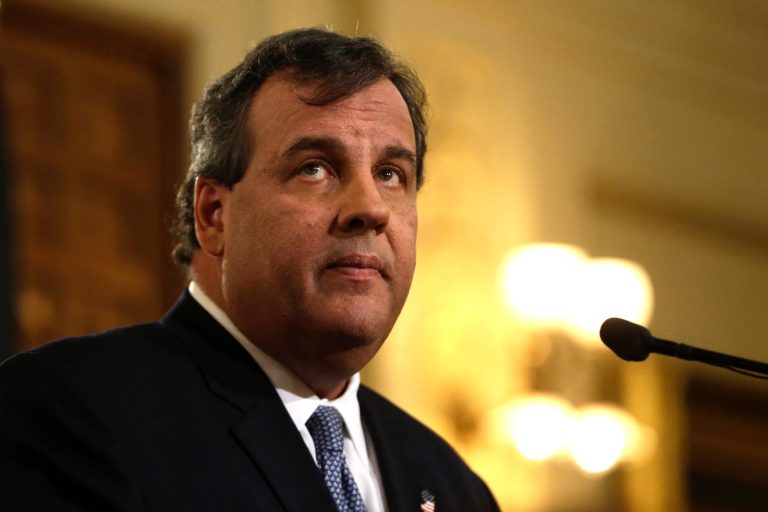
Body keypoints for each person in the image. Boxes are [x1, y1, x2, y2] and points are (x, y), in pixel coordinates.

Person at [0, 28, 500, 512]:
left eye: (391, 175)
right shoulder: (70, 411)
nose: (370, 208)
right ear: (214, 215)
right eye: (315, 167)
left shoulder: (454, 485)